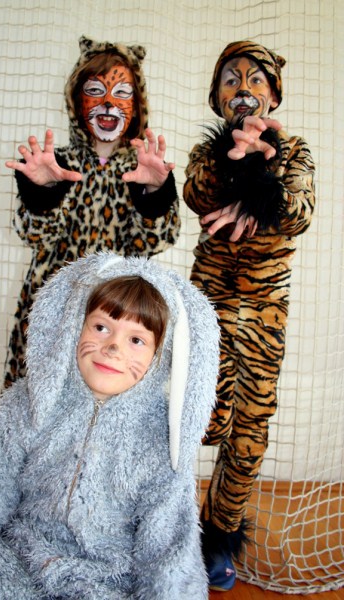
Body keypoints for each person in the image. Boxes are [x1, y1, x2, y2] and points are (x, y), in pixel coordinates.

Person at [0, 252, 220, 600]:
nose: (113, 346)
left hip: (107, 579)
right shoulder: (27, 404)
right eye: (102, 327)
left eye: (136, 340)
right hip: (17, 558)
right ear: (76, 325)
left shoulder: (162, 439)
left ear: (160, 357)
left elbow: (168, 548)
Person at [183, 40, 315, 591]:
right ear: (217, 98)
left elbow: (298, 213)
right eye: (232, 79)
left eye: (256, 79)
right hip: (208, 305)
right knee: (197, 421)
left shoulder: (296, 151)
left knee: (248, 435)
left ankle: (218, 537)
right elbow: (196, 194)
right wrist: (233, 160)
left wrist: (262, 175)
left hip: (264, 314)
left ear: (273, 97)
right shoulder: (206, 152)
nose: (244, 89)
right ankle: (168, 524)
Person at [3, 35, 180, 388]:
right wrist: (42, 193)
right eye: (95, 91)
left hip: (117, 318)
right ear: (76, 101)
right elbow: (32, 233)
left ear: (137, 106)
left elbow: (158, 240)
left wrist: (155, 193)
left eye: (122, 93)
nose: (109, 103)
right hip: (54, 314)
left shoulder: (143, 168)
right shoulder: (58, 163)